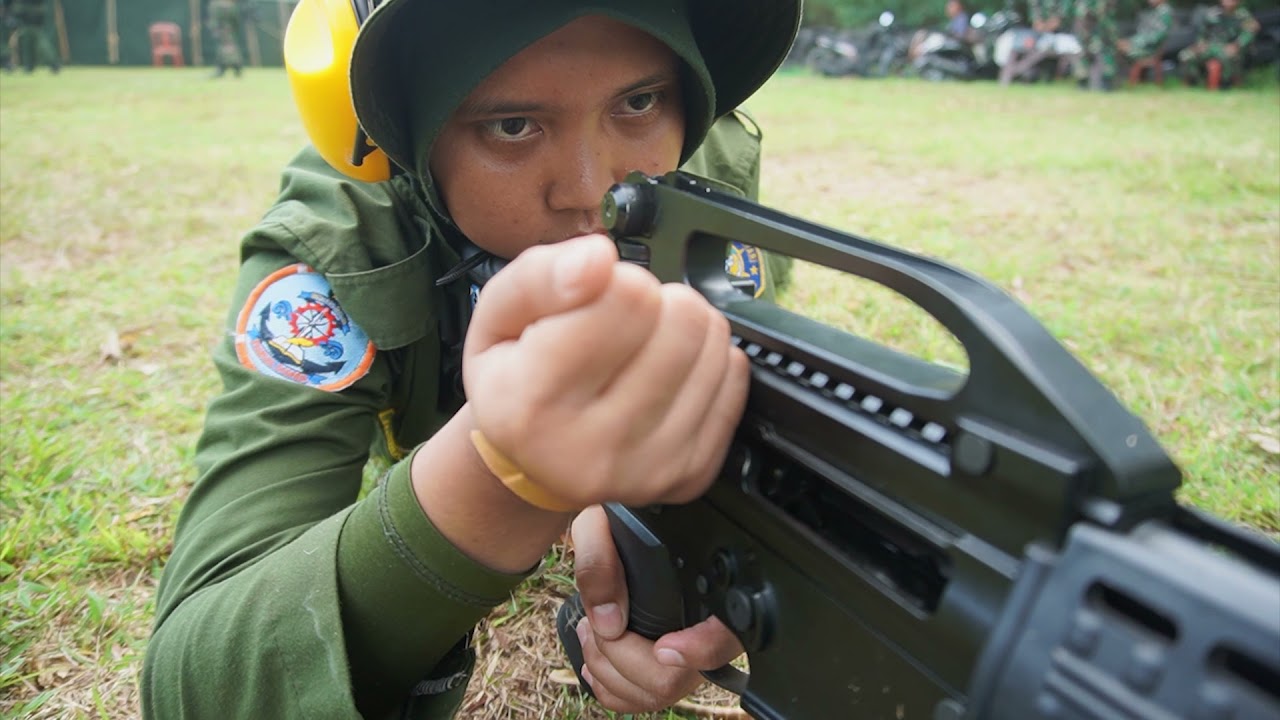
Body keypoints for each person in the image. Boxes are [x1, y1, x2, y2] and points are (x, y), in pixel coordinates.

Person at [141, 1, 801, 719]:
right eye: (511, 125)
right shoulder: (334, 250)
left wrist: (646, 520)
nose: (591, 192)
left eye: (639, 102)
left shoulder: (707, 171)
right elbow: (195, 687)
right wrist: (505, 474)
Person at [1179, 0, 1260, 88]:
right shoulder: (1212, 13)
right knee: (1186, 55)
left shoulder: (1243, 15)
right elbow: (1203, 32)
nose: (1228, 2)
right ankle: (1191, 83)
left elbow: (1249, 33)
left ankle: (1228, 83)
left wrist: (1237, 45)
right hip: (1210, 46)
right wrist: (1201, 44)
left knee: (1227, 58)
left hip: (1230, 47)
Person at [1073, 0, 1118, 90]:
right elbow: (1081, 14)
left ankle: (1107, 82)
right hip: (1088, 32)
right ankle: (1082, 82)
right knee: (1084, 55)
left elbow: (1111, 12)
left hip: (1105, 32)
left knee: (1107, 56)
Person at [1116, 0, 1174, 64]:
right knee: (1118, 44)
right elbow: (1144, 32)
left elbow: (1159, 36)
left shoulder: (1164, 13)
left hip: (1149, 49)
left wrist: (1133, 42)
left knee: (1119, 47)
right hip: (1145, 45)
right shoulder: (1154, 11)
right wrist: (1131, 41)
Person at [10, 0, 59, 74]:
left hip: (31, 16)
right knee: (28, 42)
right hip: (29, 17)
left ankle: (53, 63)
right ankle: (29, 66)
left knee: (40, 43)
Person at [206, 0, 243, 78]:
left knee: (225, 50)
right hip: (229, 31)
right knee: (229, 49)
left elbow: (213, 19)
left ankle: (230, 68)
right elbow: (236, 21)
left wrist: (214, 29)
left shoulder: (215, 5)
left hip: (223, 30)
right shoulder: (232, 6)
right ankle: (232, 68)